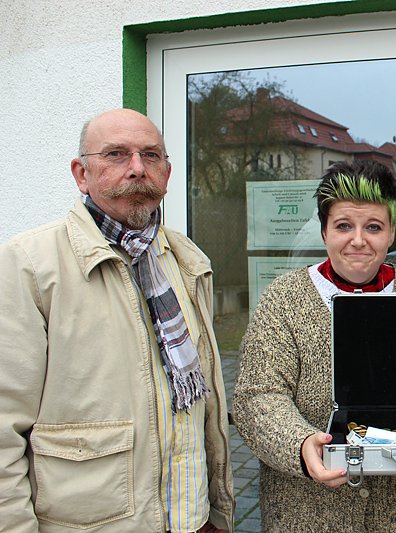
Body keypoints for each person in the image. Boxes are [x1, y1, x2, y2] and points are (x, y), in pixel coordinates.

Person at [0, 108, 234, 532]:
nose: (137, 168)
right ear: (81, 173)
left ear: (167, 171)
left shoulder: (184, 259)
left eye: (151, 155)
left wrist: (212, 513)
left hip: (190, 517)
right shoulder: (29, 264)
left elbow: (197, 407)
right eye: (116, 154)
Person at [233, 160, 396, 531]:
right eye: (344, 226)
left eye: (374, 227)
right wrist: (299, 443)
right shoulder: (283, 299)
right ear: (324, 232)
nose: (358, 240)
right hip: (308, 512)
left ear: (393, 233)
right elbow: (258, 396)